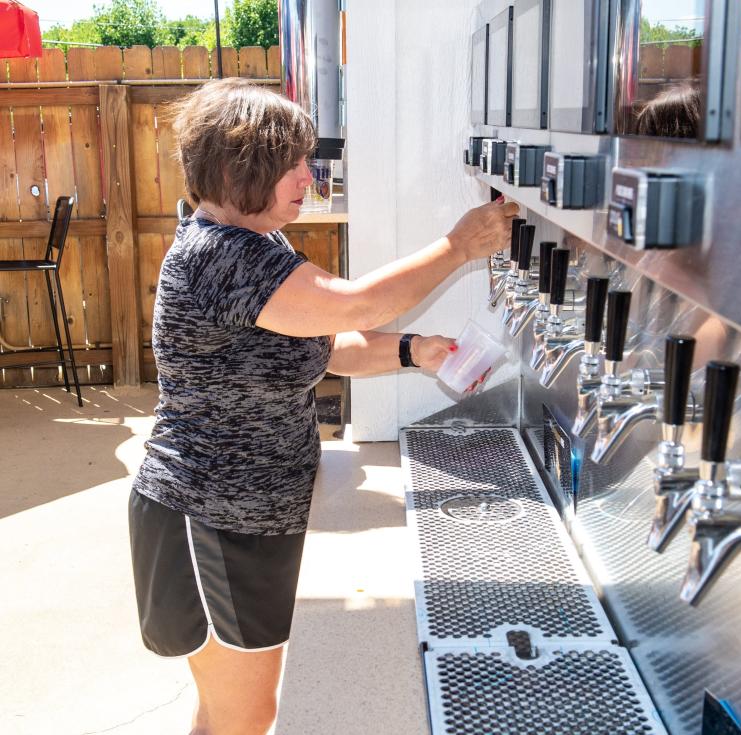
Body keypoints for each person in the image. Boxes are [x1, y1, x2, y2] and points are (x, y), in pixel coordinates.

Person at [127, 77, 519, 735]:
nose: (309, 174)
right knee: (247, 716)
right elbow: (356, 304)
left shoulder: (260, 243)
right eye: (292, 162)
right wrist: (458, 246)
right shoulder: (219, 256)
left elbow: (329, 339)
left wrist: (413, 350)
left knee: (229, 715)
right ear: (237, 168)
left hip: (251, 516)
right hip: (209, 518)